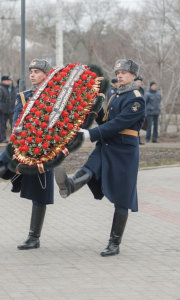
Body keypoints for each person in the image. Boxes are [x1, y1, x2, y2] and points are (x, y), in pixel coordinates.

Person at [55, 59, 145, 257]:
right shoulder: (115, 94)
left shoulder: (136, 98)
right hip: (107, 145)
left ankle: (114, 243)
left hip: (124, 151)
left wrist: (91, 134)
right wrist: (96, 110)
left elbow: (120, 123)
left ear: (133, 76)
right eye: (117, 72)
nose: (119, 75)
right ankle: (69, 185)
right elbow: (107, 121)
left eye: (123, 72)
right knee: (90, 167)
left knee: (122, 197)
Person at [0, 59, 54, 250]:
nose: (32, 74)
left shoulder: (57, 96)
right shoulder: (24, 96)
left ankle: (34, 237)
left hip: (46, 147)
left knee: (40, 190)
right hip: (26, 142)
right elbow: (17, 120)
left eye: (37, 71)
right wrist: (22, 130)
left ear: (48, 74)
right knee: (12, 148)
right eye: (31, 71)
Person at [0, 75, 13, 143]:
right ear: (3, 81)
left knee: (4, 125)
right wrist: (1, 109)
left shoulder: (6, 89)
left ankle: (3, 138)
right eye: (7, 81)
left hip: (6, 110)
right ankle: (2, 139)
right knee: (2, 125)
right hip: (1, 111)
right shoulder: (0, 89)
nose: (9, 82)